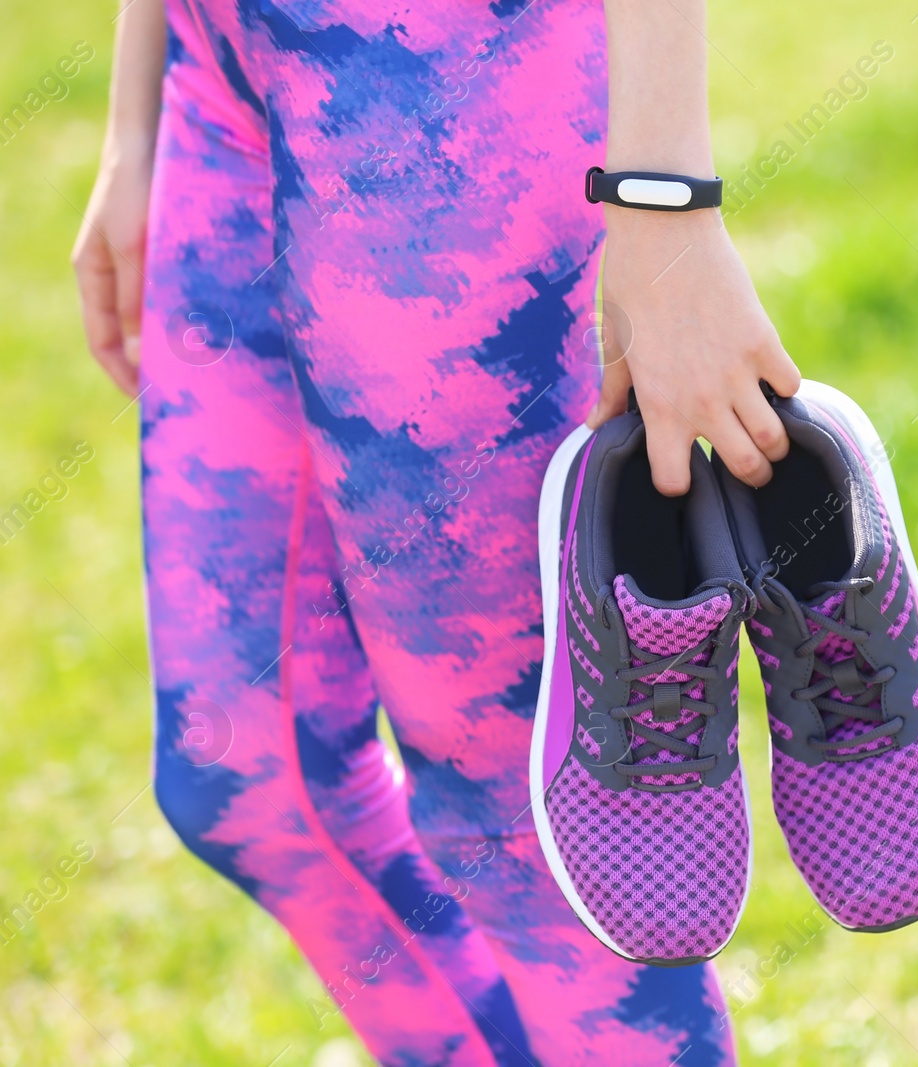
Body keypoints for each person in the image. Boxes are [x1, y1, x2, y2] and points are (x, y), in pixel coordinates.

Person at [71, 0, 800, 1061]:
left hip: (443, 94)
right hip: (216, 73)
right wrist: (133, 116)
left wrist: (666, 204)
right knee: (249, 778)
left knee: (523, 821)